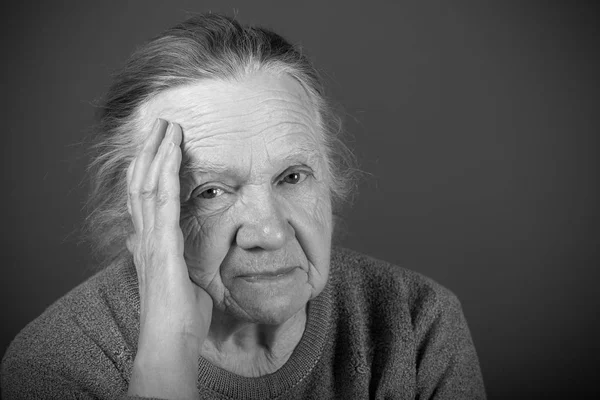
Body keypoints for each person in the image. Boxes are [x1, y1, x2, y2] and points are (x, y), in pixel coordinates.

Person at [1, 13, 486, 399]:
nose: (270, 232)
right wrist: (167, 355)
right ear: (142, 213)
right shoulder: (58, 363)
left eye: (292, 177)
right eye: (210, 191)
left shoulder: (416, 319)